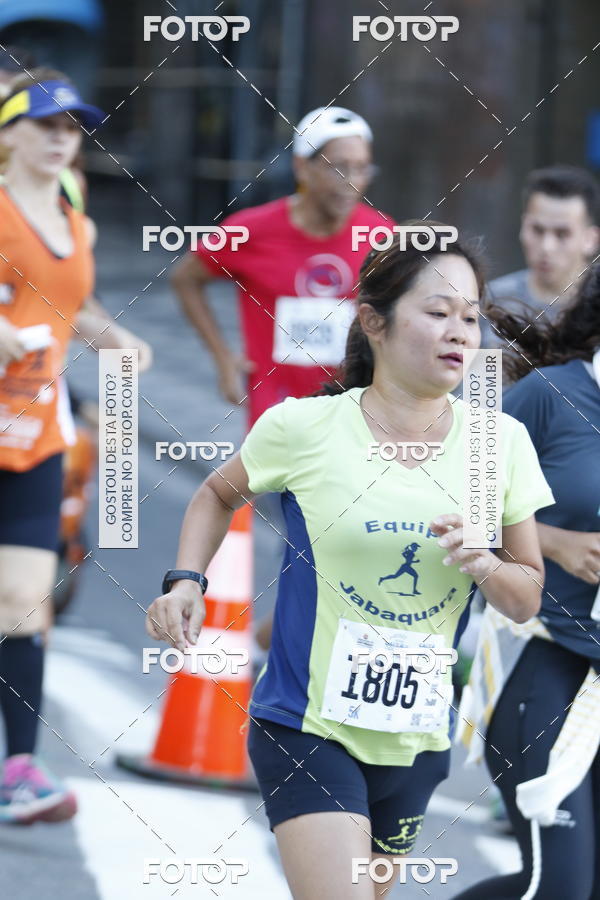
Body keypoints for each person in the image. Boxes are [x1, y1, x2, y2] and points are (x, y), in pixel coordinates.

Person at [146, 225, 555, 898]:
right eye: (437, 312)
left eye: (471, 317)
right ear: (374, 321)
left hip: (417, 738)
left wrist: (482, 562)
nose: (460, 332)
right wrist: (188, 581)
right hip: (307, 724)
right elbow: (216, 495)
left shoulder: (499, 444)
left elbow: (526, 598)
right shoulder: (303, 427)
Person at [0, 69, 150, 825]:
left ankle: (20, 769)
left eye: (73, 127)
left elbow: (70, 306)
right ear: (9, 133)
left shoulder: (75, 217)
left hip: (36, 436)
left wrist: (114, 337)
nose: (64, 137)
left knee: (26, 600)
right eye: (48, 124)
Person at [454, 267, 600, 899]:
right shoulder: (548, 396)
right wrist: (554, 543)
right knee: (558, 889)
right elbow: (454, 506)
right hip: (541, 669)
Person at [172, 105, 393, 429]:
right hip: (276, 419)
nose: (352, 181)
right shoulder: (251, 230)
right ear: (302, 167)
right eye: (338, 168)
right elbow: (185, 279)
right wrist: (223, 358)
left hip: (353, 417)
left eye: (362, 168)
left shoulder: (381, 233)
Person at [483, 165, 600, 348]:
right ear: (523, 227)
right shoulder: (493, 302)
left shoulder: (595, 308)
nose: (547, 247)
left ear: (590, 240)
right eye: (537, 230)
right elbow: (481, 377)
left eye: (562, 234)